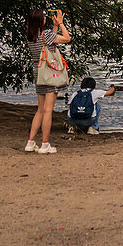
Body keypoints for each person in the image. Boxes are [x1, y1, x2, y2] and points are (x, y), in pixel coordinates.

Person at [25, 9, 71, 154]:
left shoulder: (31, 35)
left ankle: (30, 142)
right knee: (48, 111)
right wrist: (61, 23)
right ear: (40, 21)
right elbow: (67, 38)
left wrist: (55, 27)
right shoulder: (46, 35)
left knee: (40, 110)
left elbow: (48, 42)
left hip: (38, 74)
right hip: (50, 74)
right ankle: (45, 144)